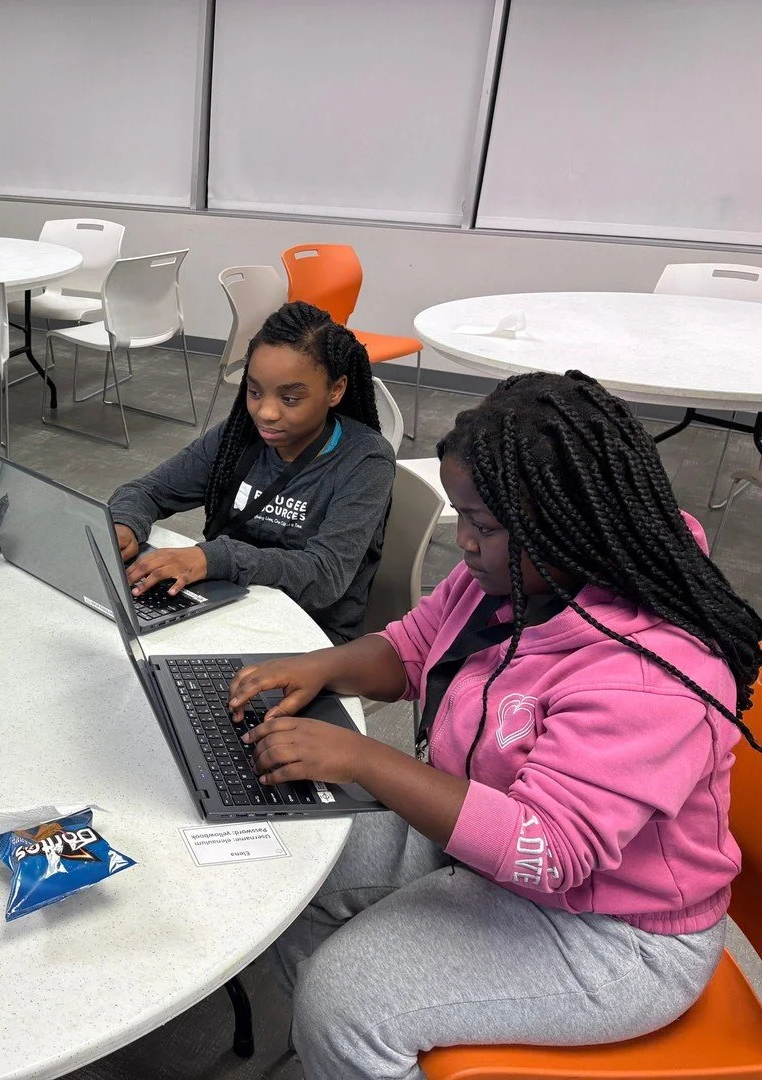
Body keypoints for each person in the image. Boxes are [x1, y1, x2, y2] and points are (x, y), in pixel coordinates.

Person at [226, 370, 762, 1079]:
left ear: (570, 526)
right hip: (495, 851)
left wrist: (364, 759)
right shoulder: (515, 574)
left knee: (344, 1002)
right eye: (463, 519)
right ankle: (352, 1053)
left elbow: (553, 851)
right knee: (289, 874)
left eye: (482, 526)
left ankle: (353, 1037)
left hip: (616, 930)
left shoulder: (647, 671)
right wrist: (323, 668)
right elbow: (415, 647)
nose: (466, 544)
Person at [107, 301, 395, 643]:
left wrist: (218, 558)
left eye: (289, 399)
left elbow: (325, 575)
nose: (266, 412)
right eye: (254, 391)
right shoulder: (238, 436)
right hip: (226, 606)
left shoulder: (365, 461)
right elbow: (149, 491)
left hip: (312, 633)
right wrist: (125, 522)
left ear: (336, 390)